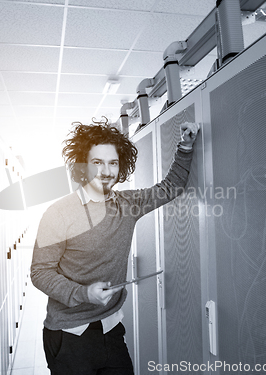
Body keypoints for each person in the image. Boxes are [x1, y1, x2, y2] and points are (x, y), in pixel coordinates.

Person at [30, 118, 200, 375]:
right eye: (97, 162)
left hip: (111, 329)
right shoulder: (59, 213)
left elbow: (170, 187)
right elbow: (40, 273)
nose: (106, 171)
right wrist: (84, 293)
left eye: (112, 162)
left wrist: (185, 147)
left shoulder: (127, 204)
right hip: (69, 335)